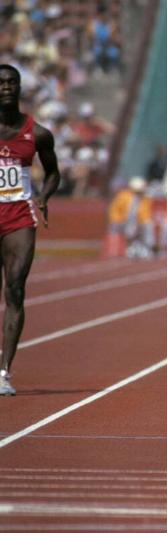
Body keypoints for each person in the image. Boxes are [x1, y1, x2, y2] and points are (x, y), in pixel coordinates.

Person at [0, 64, 61, 396]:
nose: (7, 87)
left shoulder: (37, 133)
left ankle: (4, 371)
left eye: (12, 82)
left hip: (19, 217)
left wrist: (43, 195)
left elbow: (53, 172)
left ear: (20, 88)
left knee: (15, 289)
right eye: (2, 83)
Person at [108, 176, 155, 258]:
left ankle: (146, 247)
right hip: (123, 221)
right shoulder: (123, 196)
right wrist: (117, 220)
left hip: (137, 222)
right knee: (128, 226)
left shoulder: (145, 199)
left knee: (148, 225)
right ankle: (127, 247)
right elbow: (114, 210)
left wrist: (141, 223)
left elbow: (146, 213)